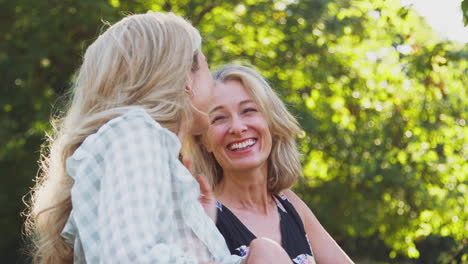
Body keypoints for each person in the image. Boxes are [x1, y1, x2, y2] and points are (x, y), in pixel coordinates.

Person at [24, 13, 292, 264]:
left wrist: (202, 229)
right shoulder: (135, 135)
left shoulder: (149, 152)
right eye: (207, 68)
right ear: (186, 80)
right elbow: (129, 258)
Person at [185, 65, 355, 264]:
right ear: (204, 141)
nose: (238, 128)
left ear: (271, 123)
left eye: (248, 111)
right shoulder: (201, 216)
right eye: (219, 118)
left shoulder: (289, 204)